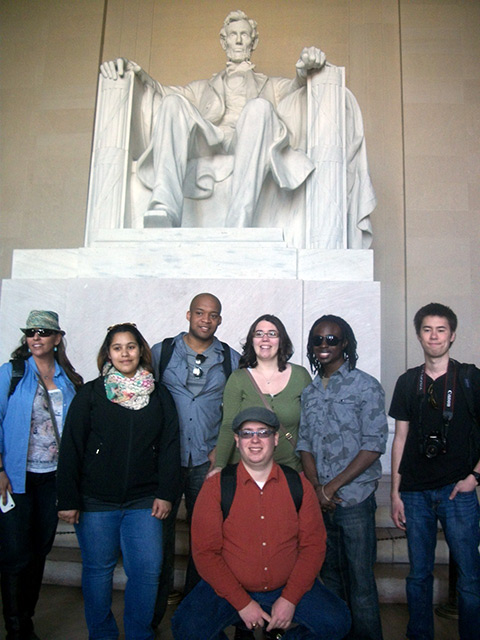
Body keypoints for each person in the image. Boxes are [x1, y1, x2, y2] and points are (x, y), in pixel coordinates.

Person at [99, 10, 327, 229]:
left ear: (253, 43)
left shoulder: (271, 85)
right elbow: (162, 92)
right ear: (224, 41)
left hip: (250, 138)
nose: (238, 40)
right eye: (233, 35)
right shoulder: (202, 88)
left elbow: (296, 88)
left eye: (244, 35)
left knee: (259, 108)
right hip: (211, 140)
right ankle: (164, 207)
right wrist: (135, 72)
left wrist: (305, 68)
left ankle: (239, 220)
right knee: (173, 103)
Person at [171, 406, 352, 640]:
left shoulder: (298, 485)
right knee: (186, 628)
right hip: (230, 587)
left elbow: (313, 546)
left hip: (286, 585)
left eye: (263, 433)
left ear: (275, 439)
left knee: (337, 621)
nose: (254, 440)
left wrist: (289, 599)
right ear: (237, 440)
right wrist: (242, 603)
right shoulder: (217, 486)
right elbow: (206, 553)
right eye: (247, 433)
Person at [56, 322, 180, 640]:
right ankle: (102, 634)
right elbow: (71, 447)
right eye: (117, 347)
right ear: (108, 353)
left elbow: (169, 447)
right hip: (96, 501)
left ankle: (139, 633)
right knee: (98, 572)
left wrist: (166, 493)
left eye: (131, 346)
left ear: (141, 351)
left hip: (144, 500)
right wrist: (68, 499)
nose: (125, 353)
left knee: (148, 571)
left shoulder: (159, 395)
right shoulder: (91, 395)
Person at [389, 302, 480, 640]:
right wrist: (395, 492)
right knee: (418, 576)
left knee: (470, 578)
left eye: (441, 329)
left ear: (452, 335)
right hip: (414, 492)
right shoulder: (408, 381)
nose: (434, 336)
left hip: (459, 492)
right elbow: (400, 438)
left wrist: (474, 478)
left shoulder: (470, 378)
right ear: (419, 335)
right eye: (427, 329)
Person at [150, 293, 240, 624]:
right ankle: (152, 616)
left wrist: (224, 446)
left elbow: (238, 410)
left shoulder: (231, 358)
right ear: (188, 314)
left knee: (204, 541)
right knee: (158, 542)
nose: (206, 319)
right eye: (200, 312)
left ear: (219, 320)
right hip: (167, 462)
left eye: (213, 314)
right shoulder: (162, 352)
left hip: (208, 461)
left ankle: (193, 613)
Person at [297, 314, 387, 640]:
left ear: (344, 343)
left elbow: (374, 445)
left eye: (332, 339)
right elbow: (304, 443)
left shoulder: (366, 386)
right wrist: (316, 488)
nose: (324, 345)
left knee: (360, 582)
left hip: (354, 501)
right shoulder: (308, 393)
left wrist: (331, 487)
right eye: (318, 340)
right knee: (330, 578)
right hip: (322, 504)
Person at [0, 310, 82, 640]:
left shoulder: (68, 379)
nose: (36, 337)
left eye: (43, 332)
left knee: (38, 552)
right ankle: (16, 628)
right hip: (17, 477)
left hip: (53, 478)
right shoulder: (12, 373)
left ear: (57, 338)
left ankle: (27, 619)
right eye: (31, 332)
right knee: (15, 554)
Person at [212, 314, 311, 474]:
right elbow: (228, 426)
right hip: (246, 473)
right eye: (259, 334)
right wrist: (219, 466)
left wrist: (309, 470)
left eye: (272, 334)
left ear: (281, 340)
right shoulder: (238, 379)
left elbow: (311, 427)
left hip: (291, 471)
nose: (265, 339)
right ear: (252, 341)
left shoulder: (300, 376)